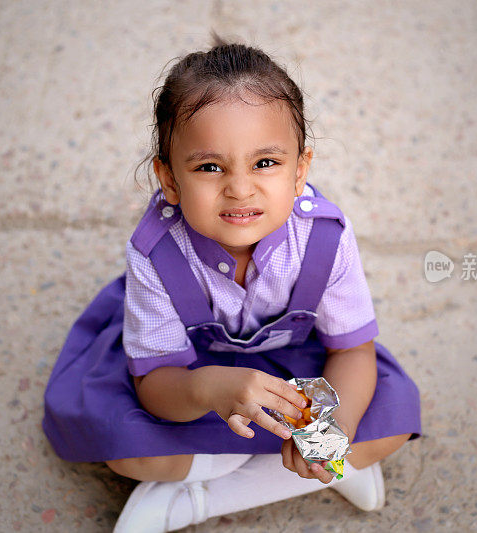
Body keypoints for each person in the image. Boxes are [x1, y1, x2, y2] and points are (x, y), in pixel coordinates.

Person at [42, 33, 421, 532]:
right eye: (209, 166)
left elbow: (352, 351)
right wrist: (210, 388)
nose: (240, 187)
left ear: (301, 169)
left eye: (266, 163)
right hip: (191, 376)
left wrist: (331, 436)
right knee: (125, 451)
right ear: (170, 180)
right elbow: (156, 387)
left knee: (390, 421)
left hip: (297, 367)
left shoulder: (325, 238)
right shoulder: (156, 253)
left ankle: (215, 493)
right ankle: (307, 477)